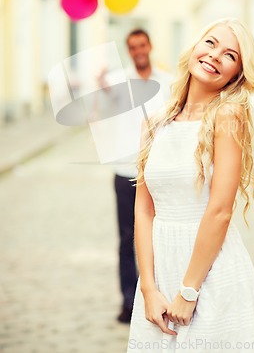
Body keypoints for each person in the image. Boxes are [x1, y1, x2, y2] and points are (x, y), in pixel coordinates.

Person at [127, 18, 254, 352]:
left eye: (230, 55)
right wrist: (148, 288)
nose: (216, 56)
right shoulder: (155, 122)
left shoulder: (228, 115)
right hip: (159, 274)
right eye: (211, 43)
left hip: (210, 275)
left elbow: (219, 211)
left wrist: (189, 291)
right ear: (195, 47)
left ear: (236, 75)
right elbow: (144, 209)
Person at [98, 29, 172, 324]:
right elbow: (102, 107)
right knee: (126, 239)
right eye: (132, 47)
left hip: (156, 173)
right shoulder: (117, 81)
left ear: (150, 46)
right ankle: (129, 302)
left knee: (157, 237)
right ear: (129, 51)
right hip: (125, 172)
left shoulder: (165, 83)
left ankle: (156, 297)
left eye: (142, 45)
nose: (138, 50)